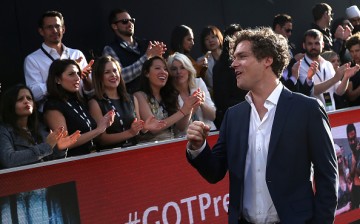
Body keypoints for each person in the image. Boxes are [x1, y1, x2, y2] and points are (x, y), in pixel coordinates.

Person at [186, 27, 338, 223]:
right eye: (234, 58)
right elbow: (215, 172)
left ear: (267, 59)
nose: (233, 64)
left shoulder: (307, 109)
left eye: (241, 56)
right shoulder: (234, 116)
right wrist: (198, 148)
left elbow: (328, 178)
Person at [88, 56, 166, 150]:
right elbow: (101, 139)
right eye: (107, 72)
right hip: (109, 156)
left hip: (133, 152)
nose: (113, 75)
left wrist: (145, 127)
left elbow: (138, 130)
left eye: (115, 70)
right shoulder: (95, 103)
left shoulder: (132, 98)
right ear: (99, 77)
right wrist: (130, 133)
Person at [24, 11, 93, 112]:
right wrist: (62, 76)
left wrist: (86, 79)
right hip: (53, 113)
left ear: (63, 29)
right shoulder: (32, 59)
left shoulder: (77, 54)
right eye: (49, 27)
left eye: (57, 26)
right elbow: (33, 94)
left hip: (82, 110)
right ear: (41, 31)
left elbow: (90, 92)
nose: (54, 30)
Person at [44, 59, 114, 156]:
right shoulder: (53, 106)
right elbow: (62, 143)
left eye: (78, 73)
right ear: (57, 79)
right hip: (73, 163)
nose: (77, 78)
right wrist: (98, 130)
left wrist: (102, 125)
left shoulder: (78, 100)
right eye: (71, 74)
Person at [0, 84, 80, 169]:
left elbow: (50, 162)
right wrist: (46, 146)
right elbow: (9, 160)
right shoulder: (3, 130)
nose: (26, 101)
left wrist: (59, 149)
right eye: (20, 99)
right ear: (10, 105)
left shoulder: (39, 128)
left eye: (29, 98)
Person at [103, 9, 166, 94]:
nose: (130, 24)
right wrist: (147, 57)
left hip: (152, 97)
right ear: (115, 26)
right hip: (130, 100)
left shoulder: (146, 44)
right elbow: (121, 77)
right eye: (125, 21)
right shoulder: (110, 49)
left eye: (132, 20)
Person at [134, 56, 196, 143]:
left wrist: (189, 108)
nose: (163, 72)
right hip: (151, 149)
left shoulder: (169, 96)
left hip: (172, 145)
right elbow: (154, 128)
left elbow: (180, 128)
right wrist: (182, 111)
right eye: (157, 68)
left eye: (165, 69)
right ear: (146, 73)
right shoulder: (139, 96)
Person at [299, 29, 359, 111]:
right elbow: (312, 91)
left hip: (331, 113)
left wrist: (346, 78)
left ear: (322, 44)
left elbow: (339, 91)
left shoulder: (327, 64)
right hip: (313, 115)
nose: (313, 47)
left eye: (317, 43)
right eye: (310, 44)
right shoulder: (300, 66)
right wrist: (335, 79)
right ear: (304, 45)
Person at [168, 52, 216, 131]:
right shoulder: (169, 93)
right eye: (174, 69)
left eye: (182, 67)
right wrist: (190, 109)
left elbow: (212, 116)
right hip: (186, 137)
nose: (178, 72)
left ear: (188, 69)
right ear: (170, 72)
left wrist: (201, 103)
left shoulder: (198, 83)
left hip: (209, 131)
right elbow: (180, 128)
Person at [212, 24, 247, 129]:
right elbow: (222, 101)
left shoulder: (249, 62)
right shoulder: (220, 67)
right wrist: (250, 103)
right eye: (236, 39)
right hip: (234, 119)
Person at [197, 25, 224, 93]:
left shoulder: (229, 55)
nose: (210, 41)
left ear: (219, 38)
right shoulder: (201, 61)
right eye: (207, 39)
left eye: (213, 37)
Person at [335, 144, 352, 215]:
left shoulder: (346, 174)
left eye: (340, 157)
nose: (339, 161)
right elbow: (328, 213)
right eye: (336, 158)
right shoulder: (330, 180)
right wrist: (344, 209)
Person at [347, 123, 360, 209]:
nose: (352, 142)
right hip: (355, 194)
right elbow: (349, 178)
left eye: (354, 138)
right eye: (350, 140)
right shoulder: (348, 157)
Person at [345, 32, 360, 107]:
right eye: (352, 51)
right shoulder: (349, 68)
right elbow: (351, 96)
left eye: (357, 51)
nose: (354, 54)